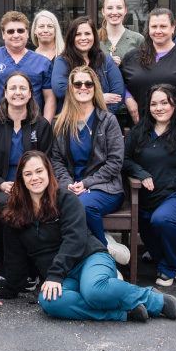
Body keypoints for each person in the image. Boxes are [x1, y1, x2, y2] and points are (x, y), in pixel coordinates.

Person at [0, 151, 176, 323]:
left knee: (93, 290)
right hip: (65, 276)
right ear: (21, 179)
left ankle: (154, 300)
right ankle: (123, 313)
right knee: (49, 301)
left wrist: (55, 275)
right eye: (28, 174)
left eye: (39, 171)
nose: (34, 177)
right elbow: (14, 258)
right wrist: (7, 290)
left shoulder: (66, 199)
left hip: (89, 259)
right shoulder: (15, 214)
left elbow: (74, 239)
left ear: (49, 173)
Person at [123, 84, 176, 286]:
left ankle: (173, 267)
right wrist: (140, 172)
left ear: (175, 104)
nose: (159, 108)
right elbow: (125, 160)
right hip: (149, 199)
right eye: (154, 104)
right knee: (152, 240)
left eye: (164, 103)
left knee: (162, 220)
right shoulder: (139, 131)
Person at [49, 66, 129, 265]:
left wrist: (86, 183)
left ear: (95, 88)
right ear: (71, 88)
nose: (83, 87)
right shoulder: (60, 123)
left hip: (105, 188)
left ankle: (102, 255)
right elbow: (56, 160)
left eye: (88, 83)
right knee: (61, 208)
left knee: (81, 206)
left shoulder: (107, 120)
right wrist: (67, 183)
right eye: (77, 84)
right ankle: (105, 245)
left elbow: (115, 162)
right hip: (70, 187)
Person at [0, 72, 54, 220]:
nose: (18, 92)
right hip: (1, 188)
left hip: (34, 184)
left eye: (23, 88)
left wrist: (32, 184)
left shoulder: (42, 125)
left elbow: (47, 162)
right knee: (5, 203)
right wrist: (0, 184)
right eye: (13, 88)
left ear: (30, 93)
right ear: (5, 93)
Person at [119, 8, 176, 133]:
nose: (158, 31)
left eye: (163, 26)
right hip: (140, 132)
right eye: (154, 26)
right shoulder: (132, 57)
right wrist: (128, 100)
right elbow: (119, 86)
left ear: (173, 27)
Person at [0, 11, 55, 122]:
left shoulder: (43, 62)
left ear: (27, 33)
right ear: (3, 34)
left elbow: (50, 98)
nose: (16, 35)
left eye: (20, 31)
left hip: (33, 128)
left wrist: (46, 126)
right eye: (10, 31)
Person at [52, 16, 125, 113]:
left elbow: (118, 96)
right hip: (71, 118)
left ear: (94, 36)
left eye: (87, 33)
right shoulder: (62, 61)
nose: (83, 38)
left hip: (103, 118)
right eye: (78, 34)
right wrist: (99, 97)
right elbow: (60, 90)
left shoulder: (106, 61)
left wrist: (99, 117)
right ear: (71, 38)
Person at [98, 0, 144, 67]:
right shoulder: (94, 39)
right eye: (109, 8)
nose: (114, 12)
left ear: (125, 11)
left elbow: (145, 68)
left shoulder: (138, 40)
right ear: (103, 11)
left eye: (119, 8)